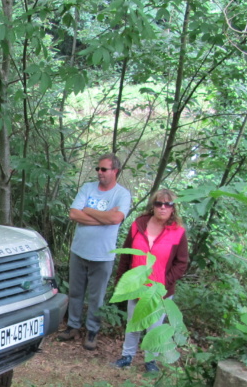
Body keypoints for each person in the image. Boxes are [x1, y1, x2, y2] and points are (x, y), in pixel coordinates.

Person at [58, 154, 132, 351]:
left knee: (96, 297)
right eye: (98, 169)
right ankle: (73, 326)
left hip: (103, 254)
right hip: (79, 251)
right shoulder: (88, 188)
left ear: (115, 171)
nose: (99, 172)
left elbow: (116, 219)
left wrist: (88, 211)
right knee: (75, 292)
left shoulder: (122, 194)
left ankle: (92, 330)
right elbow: (74, 213)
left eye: (104, 169)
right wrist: (103, 217)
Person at [112, 189, 189, 372]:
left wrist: (164, 282)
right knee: (133, 323)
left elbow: (181, 263)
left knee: (154, 327)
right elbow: (126, 256)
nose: (163, 207)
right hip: (137, 285)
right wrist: (120, 281)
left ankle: (150, 361)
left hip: (160, 290)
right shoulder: (138, 225)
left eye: (167, 204)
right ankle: (127, 357)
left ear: (173, 208)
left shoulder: (178, 232)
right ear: (153, 205)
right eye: (159, 203)